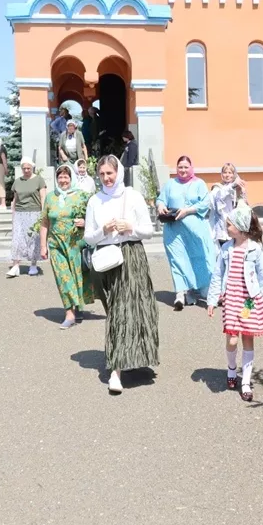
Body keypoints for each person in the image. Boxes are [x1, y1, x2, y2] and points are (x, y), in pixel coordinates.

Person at [83, 155, 158, 394]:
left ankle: (116, 372)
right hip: (106, 260)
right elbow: (88, 237)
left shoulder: (133, 196)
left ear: (119, 172)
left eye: (110, 173)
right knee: (116, 311)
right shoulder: (95, 201)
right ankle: (127, 356)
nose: (106, 178)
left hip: (131, 257)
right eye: (102, 174)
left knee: (126, 311)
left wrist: (130, 228)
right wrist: (103, 230)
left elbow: (149, 230)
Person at [206, 203, 263, 403]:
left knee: (248, 338)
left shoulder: (255, 249)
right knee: (232, 340)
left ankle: (245, 382)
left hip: (249, 302)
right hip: (231, 300)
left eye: (230, 224)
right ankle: (231, 369)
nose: (226, 228)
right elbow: (217, 275)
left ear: (241, 226)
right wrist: (212, 299)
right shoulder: (226, 249)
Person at [156, 156, 216, 310]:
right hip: (174, 230)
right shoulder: (170, 184)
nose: (183, 170)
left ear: (191, 168)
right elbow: (161, 199)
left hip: (195, 231)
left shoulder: (199, 183)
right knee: (177, 260)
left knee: (198, 259)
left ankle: (200, 290)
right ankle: (180, 293)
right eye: (180, 167)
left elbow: (205, 203)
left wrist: (187, 211)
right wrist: (161, 206)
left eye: (185, 167)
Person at [40, 165, 94, 330]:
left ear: (72, 179)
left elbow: (95, 217)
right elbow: (44, 222)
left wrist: (85, 222)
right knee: (63, 277)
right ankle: (69, 314)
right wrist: (43, 246)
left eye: (66, 177)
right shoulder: (50, 197)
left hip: (75, 244)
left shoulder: (82, 196)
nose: (63, 180)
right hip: (55, 244)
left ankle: (78, 307)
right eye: (60, 177)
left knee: (77, 276)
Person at [8, 157, 47, 278]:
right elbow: (15, 199)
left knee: (33, 239)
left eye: (28, 168)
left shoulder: (39, 180)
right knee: (17, 239)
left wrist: (43, 213)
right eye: (24, 168)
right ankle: (15, 266)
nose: (26, 170)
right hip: (20, 213)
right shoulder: (17, 181)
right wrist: (13, 214)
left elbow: (43, 197)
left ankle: (33, 265)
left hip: (34, 212)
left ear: (32, 168)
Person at [208, 162, 248, 248]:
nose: (227, 175)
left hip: (236, 225)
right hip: (222, 227)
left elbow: (243, 206)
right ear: (221, 174)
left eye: (230, 173)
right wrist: (232, 186)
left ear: (234, 174)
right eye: (225, 172)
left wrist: (241, 192)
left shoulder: (237, 188)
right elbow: (216, 197)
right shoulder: (217, 187)